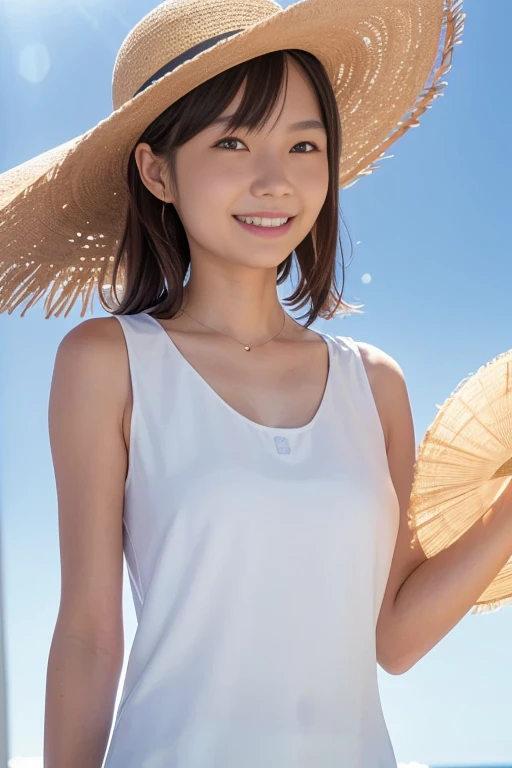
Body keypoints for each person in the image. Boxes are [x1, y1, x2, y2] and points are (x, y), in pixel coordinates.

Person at [0, 0, 466, 765]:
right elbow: (86, 633)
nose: (275, 180)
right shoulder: (107, 363)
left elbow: (395, 634)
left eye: (304, 144)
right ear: (157, 170)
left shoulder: (374, 384)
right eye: (233, 141)